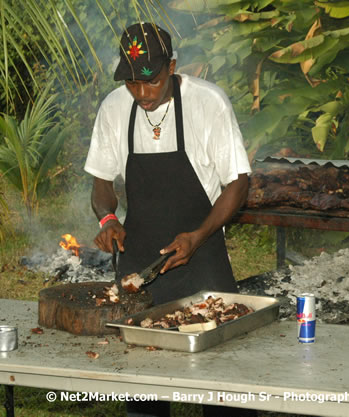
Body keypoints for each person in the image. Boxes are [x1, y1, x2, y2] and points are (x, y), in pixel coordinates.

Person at [84, 23, 256, 417]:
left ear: (172, 66)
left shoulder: (207, 103)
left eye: (152, 82)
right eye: (132, 84)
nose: (142, 95)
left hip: (202, 256)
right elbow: (102, 182)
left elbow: (238, 182)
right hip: (139, 265)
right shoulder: (114, 107)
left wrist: (197, 236)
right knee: (143, 388)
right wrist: (108, 218)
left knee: (225, 388)